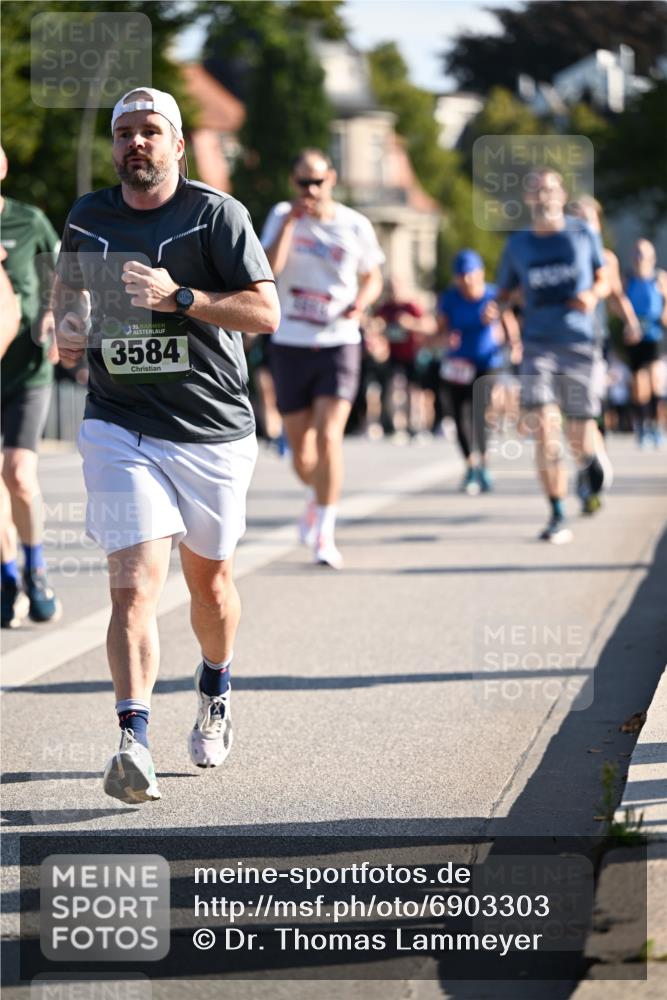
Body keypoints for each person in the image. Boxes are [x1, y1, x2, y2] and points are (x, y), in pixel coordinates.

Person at [54, 88, 280, 803]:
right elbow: (66, 296)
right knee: (133, 584)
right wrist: (64, 330)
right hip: (118, 422)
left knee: (208, 584)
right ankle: (133, 742)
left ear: (178, 144)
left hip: (211, 430)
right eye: (124, 133)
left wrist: (179, 297)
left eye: (150, 131)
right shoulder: (88, 217)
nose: (135, 144)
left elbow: (264, 312)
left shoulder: (216, 215)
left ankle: (215, 684)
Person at [261, 149, 384, 569]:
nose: (311, 190)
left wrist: (361, 305)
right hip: (291, 340)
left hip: (339, 341)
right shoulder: (282, 215)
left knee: (330, 436)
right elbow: (268, 270)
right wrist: (293, 221)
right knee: (302, 455)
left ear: (332, 178)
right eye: (302, 182)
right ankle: (316, 499)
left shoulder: (355, 224)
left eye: (317, 181)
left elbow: (374, 276)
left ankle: (325, 533)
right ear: (292, 183)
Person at [497, 168, 609, 544]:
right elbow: (504, 292)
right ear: (528, 200)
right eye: (536, 191)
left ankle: (590, 462)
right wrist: (493, 309)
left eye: (550, 190)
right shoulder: (518, 245)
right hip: (538, 344)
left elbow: (604, 277)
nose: (544, 196)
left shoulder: (582, 234)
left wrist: (592, 297)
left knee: (579, 435)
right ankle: (557, 512)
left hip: (579, 343)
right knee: (545, 428)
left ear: (561, 195)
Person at [0, 145, 62, 629]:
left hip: (27, 369)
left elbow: (61, 274)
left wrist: (50, 315)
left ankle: (35, 568)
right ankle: (6, 578)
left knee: (18, 473)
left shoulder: (28, 220)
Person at [566, 195, 640, 509]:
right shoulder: (561, 252)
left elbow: (616, 295)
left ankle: (593, 468)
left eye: (588, 219)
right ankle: (589, 465)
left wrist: (631, 321)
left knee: (591, 409)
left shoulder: (606, 258)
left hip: (595, 342)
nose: (582, 224)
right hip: (563, 341)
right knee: (572, 414)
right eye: (576, 218)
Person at [437, 249, 519, 494]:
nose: (467, 280)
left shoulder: (493, 295)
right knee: (459, 416)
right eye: (462, 276)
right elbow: (440, 327)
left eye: (471, 274)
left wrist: (514, 344)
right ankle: (470, 465)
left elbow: (509, 321)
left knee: (480, 413)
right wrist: (444, 338)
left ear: (480, 273)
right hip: (458, 364)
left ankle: (483, 462)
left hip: (487, 361)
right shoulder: (450, 298)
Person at [375, 276, 437, 440]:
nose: (393, 292)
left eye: (396, 288)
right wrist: (378, 327)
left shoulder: (411, 306)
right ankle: (390, 424)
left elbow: (429, 326)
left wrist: (410, 324)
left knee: (413, 391)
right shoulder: (386, 308)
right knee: (389, 389)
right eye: (390, 289)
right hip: (392, 355)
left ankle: (413, 425)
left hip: (411, 354)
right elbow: (376, 325)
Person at [624, 238, 667, 446]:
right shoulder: (628, 279)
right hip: (634, 334)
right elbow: (619, 303)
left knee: (656, 380)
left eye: (644, 254)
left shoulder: (660, 278)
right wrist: (627, 324)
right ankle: (643, 425)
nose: (640, 258)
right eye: (637, 254)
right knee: (639, 384)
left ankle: (658, 426)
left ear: (652, 257)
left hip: (655, 334)